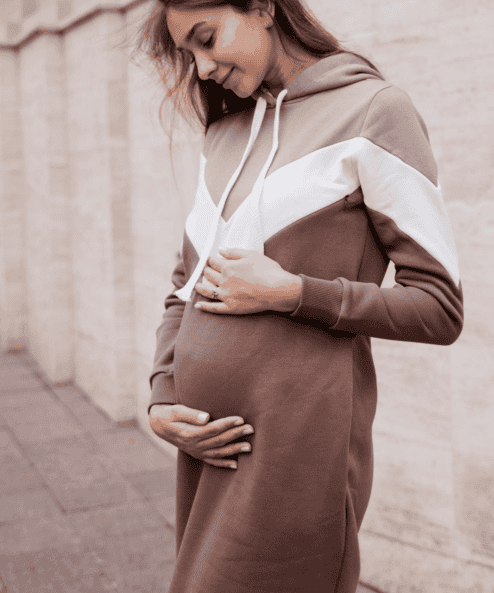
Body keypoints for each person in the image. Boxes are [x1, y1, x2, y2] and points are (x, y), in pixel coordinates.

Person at [141, 1, 464, 591]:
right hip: (208, 450)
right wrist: (163, 397)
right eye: (188, 54)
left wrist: (293, 292)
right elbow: (184, 287)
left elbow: (439, 308)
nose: (202, 68)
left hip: (298, 448)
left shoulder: (373, 112)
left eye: (207, 39)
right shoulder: (224, 132)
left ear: (263, 7)